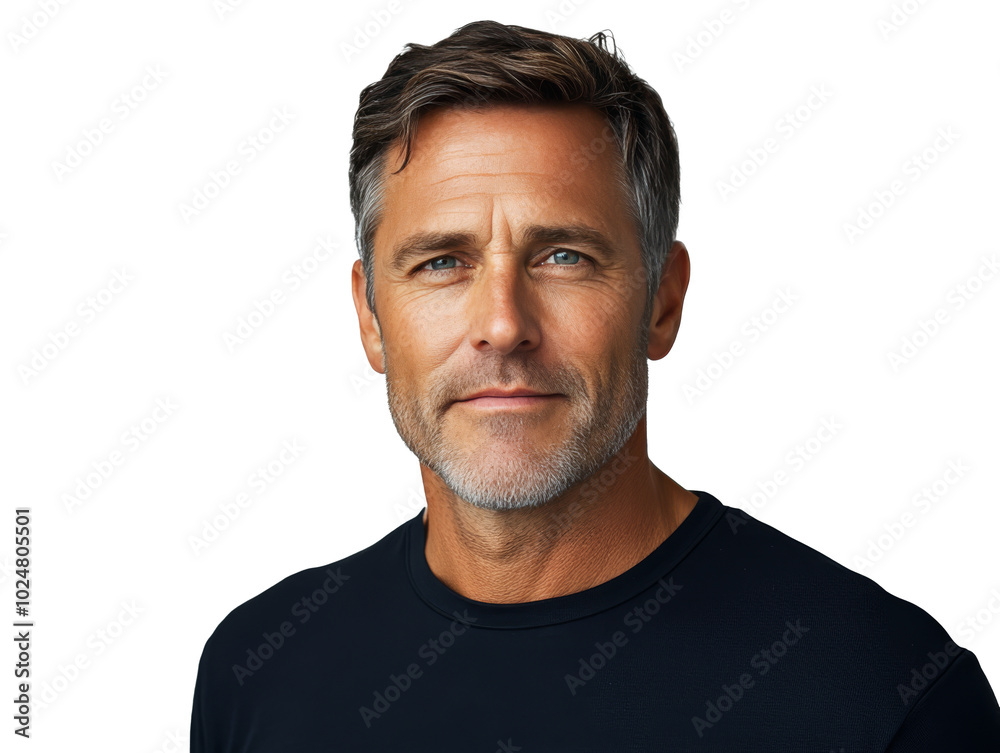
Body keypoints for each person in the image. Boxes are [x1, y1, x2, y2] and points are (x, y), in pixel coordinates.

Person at [189, 20, 1000, 751]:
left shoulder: (888, 696)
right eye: (442, 262)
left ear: (662, 300)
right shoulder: (261, 671)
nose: (502, 324)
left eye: (563, 256)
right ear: (371, 317)